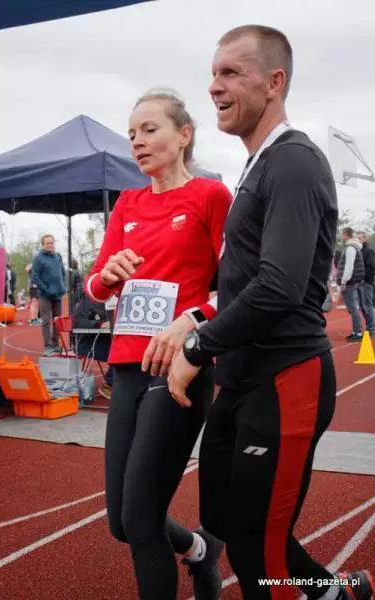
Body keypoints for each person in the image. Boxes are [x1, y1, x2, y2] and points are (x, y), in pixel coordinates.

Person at [169, 25, 374, 600]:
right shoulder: (259, 164)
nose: (215, 86)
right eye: (213, 73)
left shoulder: (294, 163)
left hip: (285, 378)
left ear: (274, 82)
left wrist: (197, 347)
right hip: (242, 378)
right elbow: (241, 277)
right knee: (229, 523)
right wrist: (198, 316)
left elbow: (279, 287)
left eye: (231, 72)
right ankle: (333, 593)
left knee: (259, 551)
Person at [85, 90, 232, 600]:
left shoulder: (210, 196)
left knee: (142, 519)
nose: (137, 142)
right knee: (121, 522)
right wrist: (107, 276)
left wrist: (193, 319)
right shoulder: (127, 203)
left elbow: (238, 285)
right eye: (132, 134)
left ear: (184, 135)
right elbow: (94, 287)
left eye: (149, 129)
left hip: (178, 368)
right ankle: (200, 550)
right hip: (126, 367)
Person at [72, 292, 113, 399]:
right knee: (120, 350)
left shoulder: (117, 299)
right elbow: (77, 322)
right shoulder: (89, 300)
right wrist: (99, 324)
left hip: (107, 341)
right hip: (89, 344)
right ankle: (109, 384)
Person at [31, 234, 66, 356]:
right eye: (47, 243)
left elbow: (62, 273)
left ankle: (55, 344)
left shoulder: (58, 256)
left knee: (57, 320)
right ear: (43, 245)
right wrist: (45, 289)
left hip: (58, 293)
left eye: (51, 242)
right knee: (46, 320)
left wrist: (63, 286)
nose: (50, 245)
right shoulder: (39, 258)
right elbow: (34, 277)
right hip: (45, 295)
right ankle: (48, 346)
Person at [337, 228, 365, 342]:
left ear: (346, 235)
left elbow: (349, 266)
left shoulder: (350, 248)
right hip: (353, 280)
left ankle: (358, 333)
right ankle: (355, 331)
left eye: (342, 234)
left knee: (353, 308)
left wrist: (344, 281)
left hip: (350, 281)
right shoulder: (354, 247)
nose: (341, 236)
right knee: (352, 307)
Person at [356, 231, 375, 333]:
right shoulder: (357, 252)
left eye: (360, 238)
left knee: (367, 306)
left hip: (366, 282)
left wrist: (363, 277)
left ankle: (371, 328)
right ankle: (370, 326)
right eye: (357, 238)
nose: (358, 240)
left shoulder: (368, 252)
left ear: (364, 239)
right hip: (358, 282)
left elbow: (371, 267)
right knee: (362, 307)